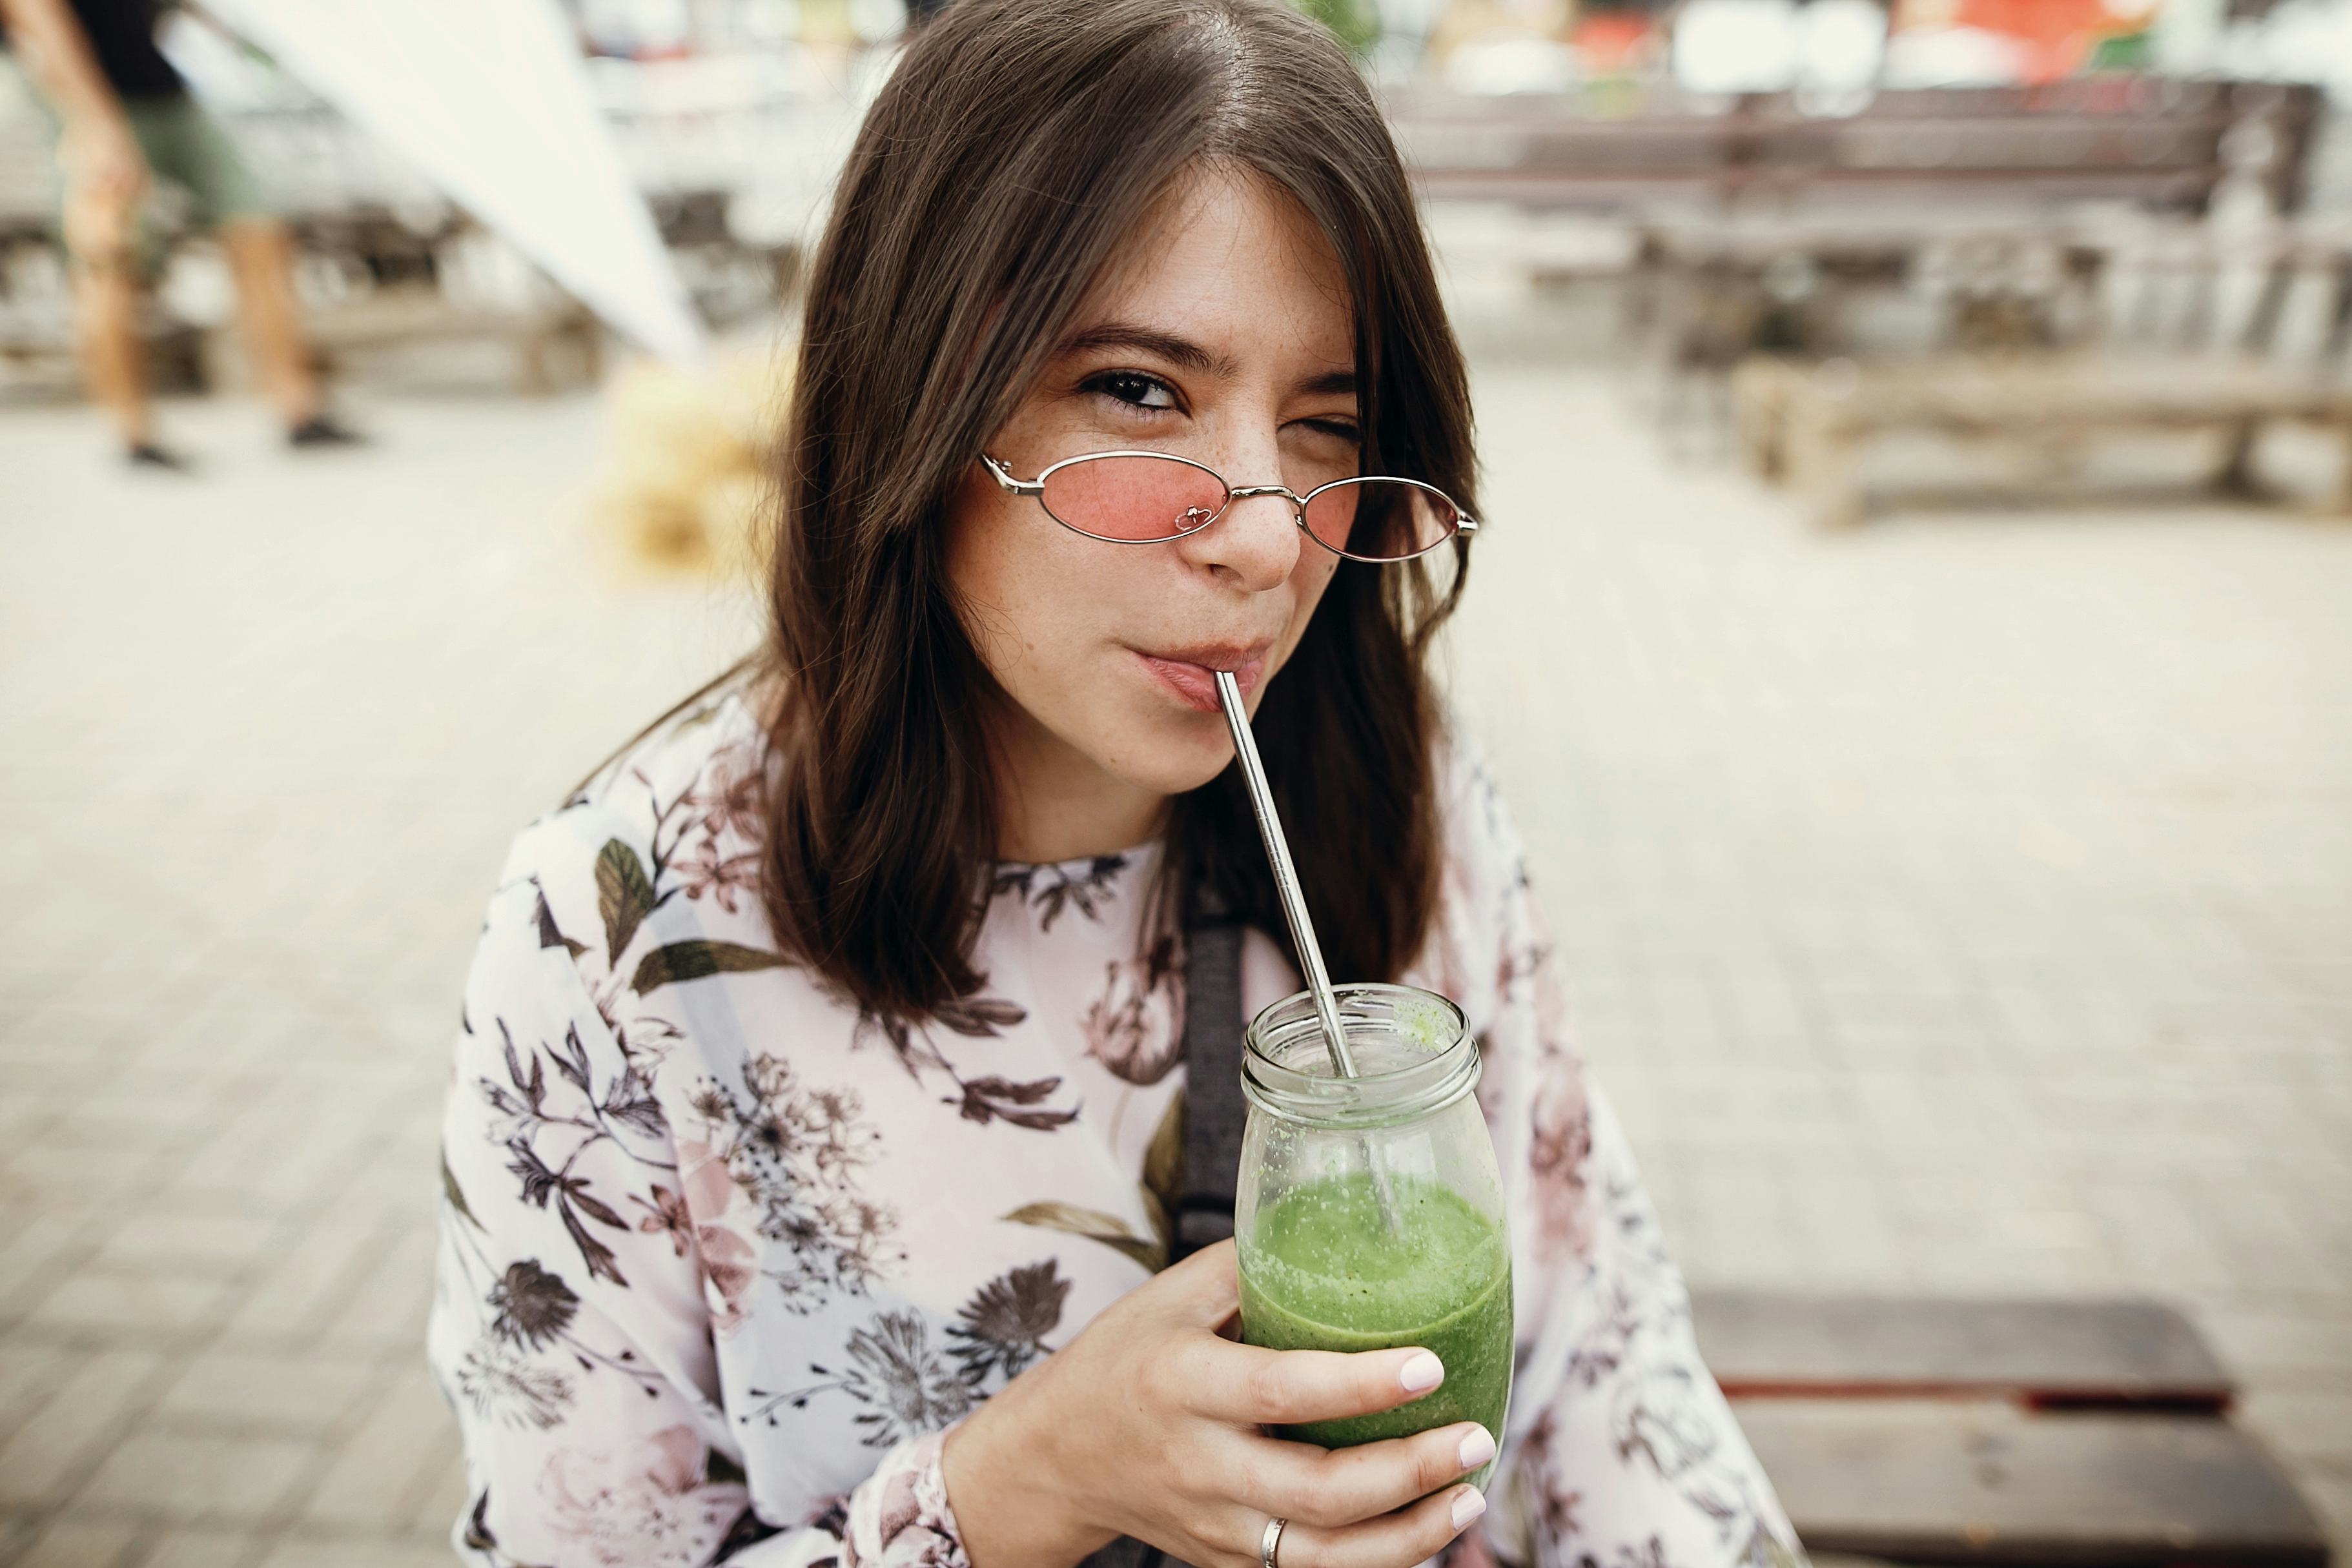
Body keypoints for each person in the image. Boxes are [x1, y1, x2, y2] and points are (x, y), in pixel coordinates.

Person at [427, 3, 1806, 1565]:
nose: (1268, 536)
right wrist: (1022, 1485)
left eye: (1326, 422)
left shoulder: (1394, 783)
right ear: (921, 400)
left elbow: (1597, 1370)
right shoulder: (616, 937)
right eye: (1144, 391)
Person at [0, 0, 358, 468]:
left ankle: (299, 407)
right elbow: (40, 26)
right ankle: (133, 433)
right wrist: (95, 124)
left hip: (161, 85)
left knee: (258, 226)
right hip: (83, 95)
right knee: (108, 255)